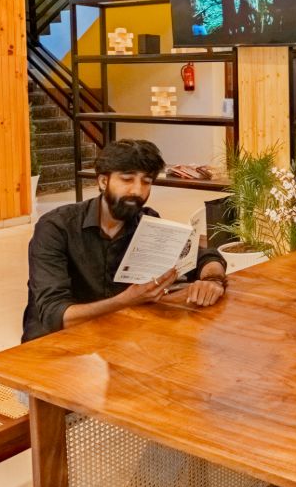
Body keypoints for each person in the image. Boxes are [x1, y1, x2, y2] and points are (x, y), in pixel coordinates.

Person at [22, 139, 229, 342]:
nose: (137, 191)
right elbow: (57, 316)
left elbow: (204, 257)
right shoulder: (56, 228)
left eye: (146, 182)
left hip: (117, 337)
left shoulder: (146, 222)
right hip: (53, 346)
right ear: (103, 181)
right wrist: (127, 300)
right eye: (127, 179)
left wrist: (212, 281)